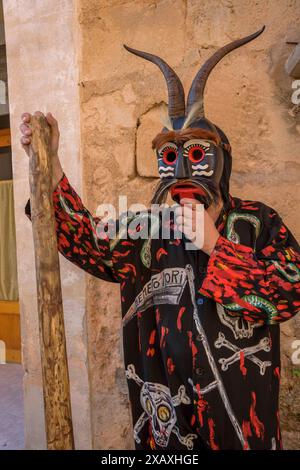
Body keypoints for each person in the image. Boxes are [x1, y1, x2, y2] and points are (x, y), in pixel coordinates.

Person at [20, 27, 300, 450]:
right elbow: (85, 240)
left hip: (242, 425)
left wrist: (215, 246)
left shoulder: (258, 223)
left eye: (197, 154)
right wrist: (51, 162)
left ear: (221, 158)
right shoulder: (146, 229)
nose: (182, 170)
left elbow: (289, 290)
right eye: (170, 155)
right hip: (166, 427)